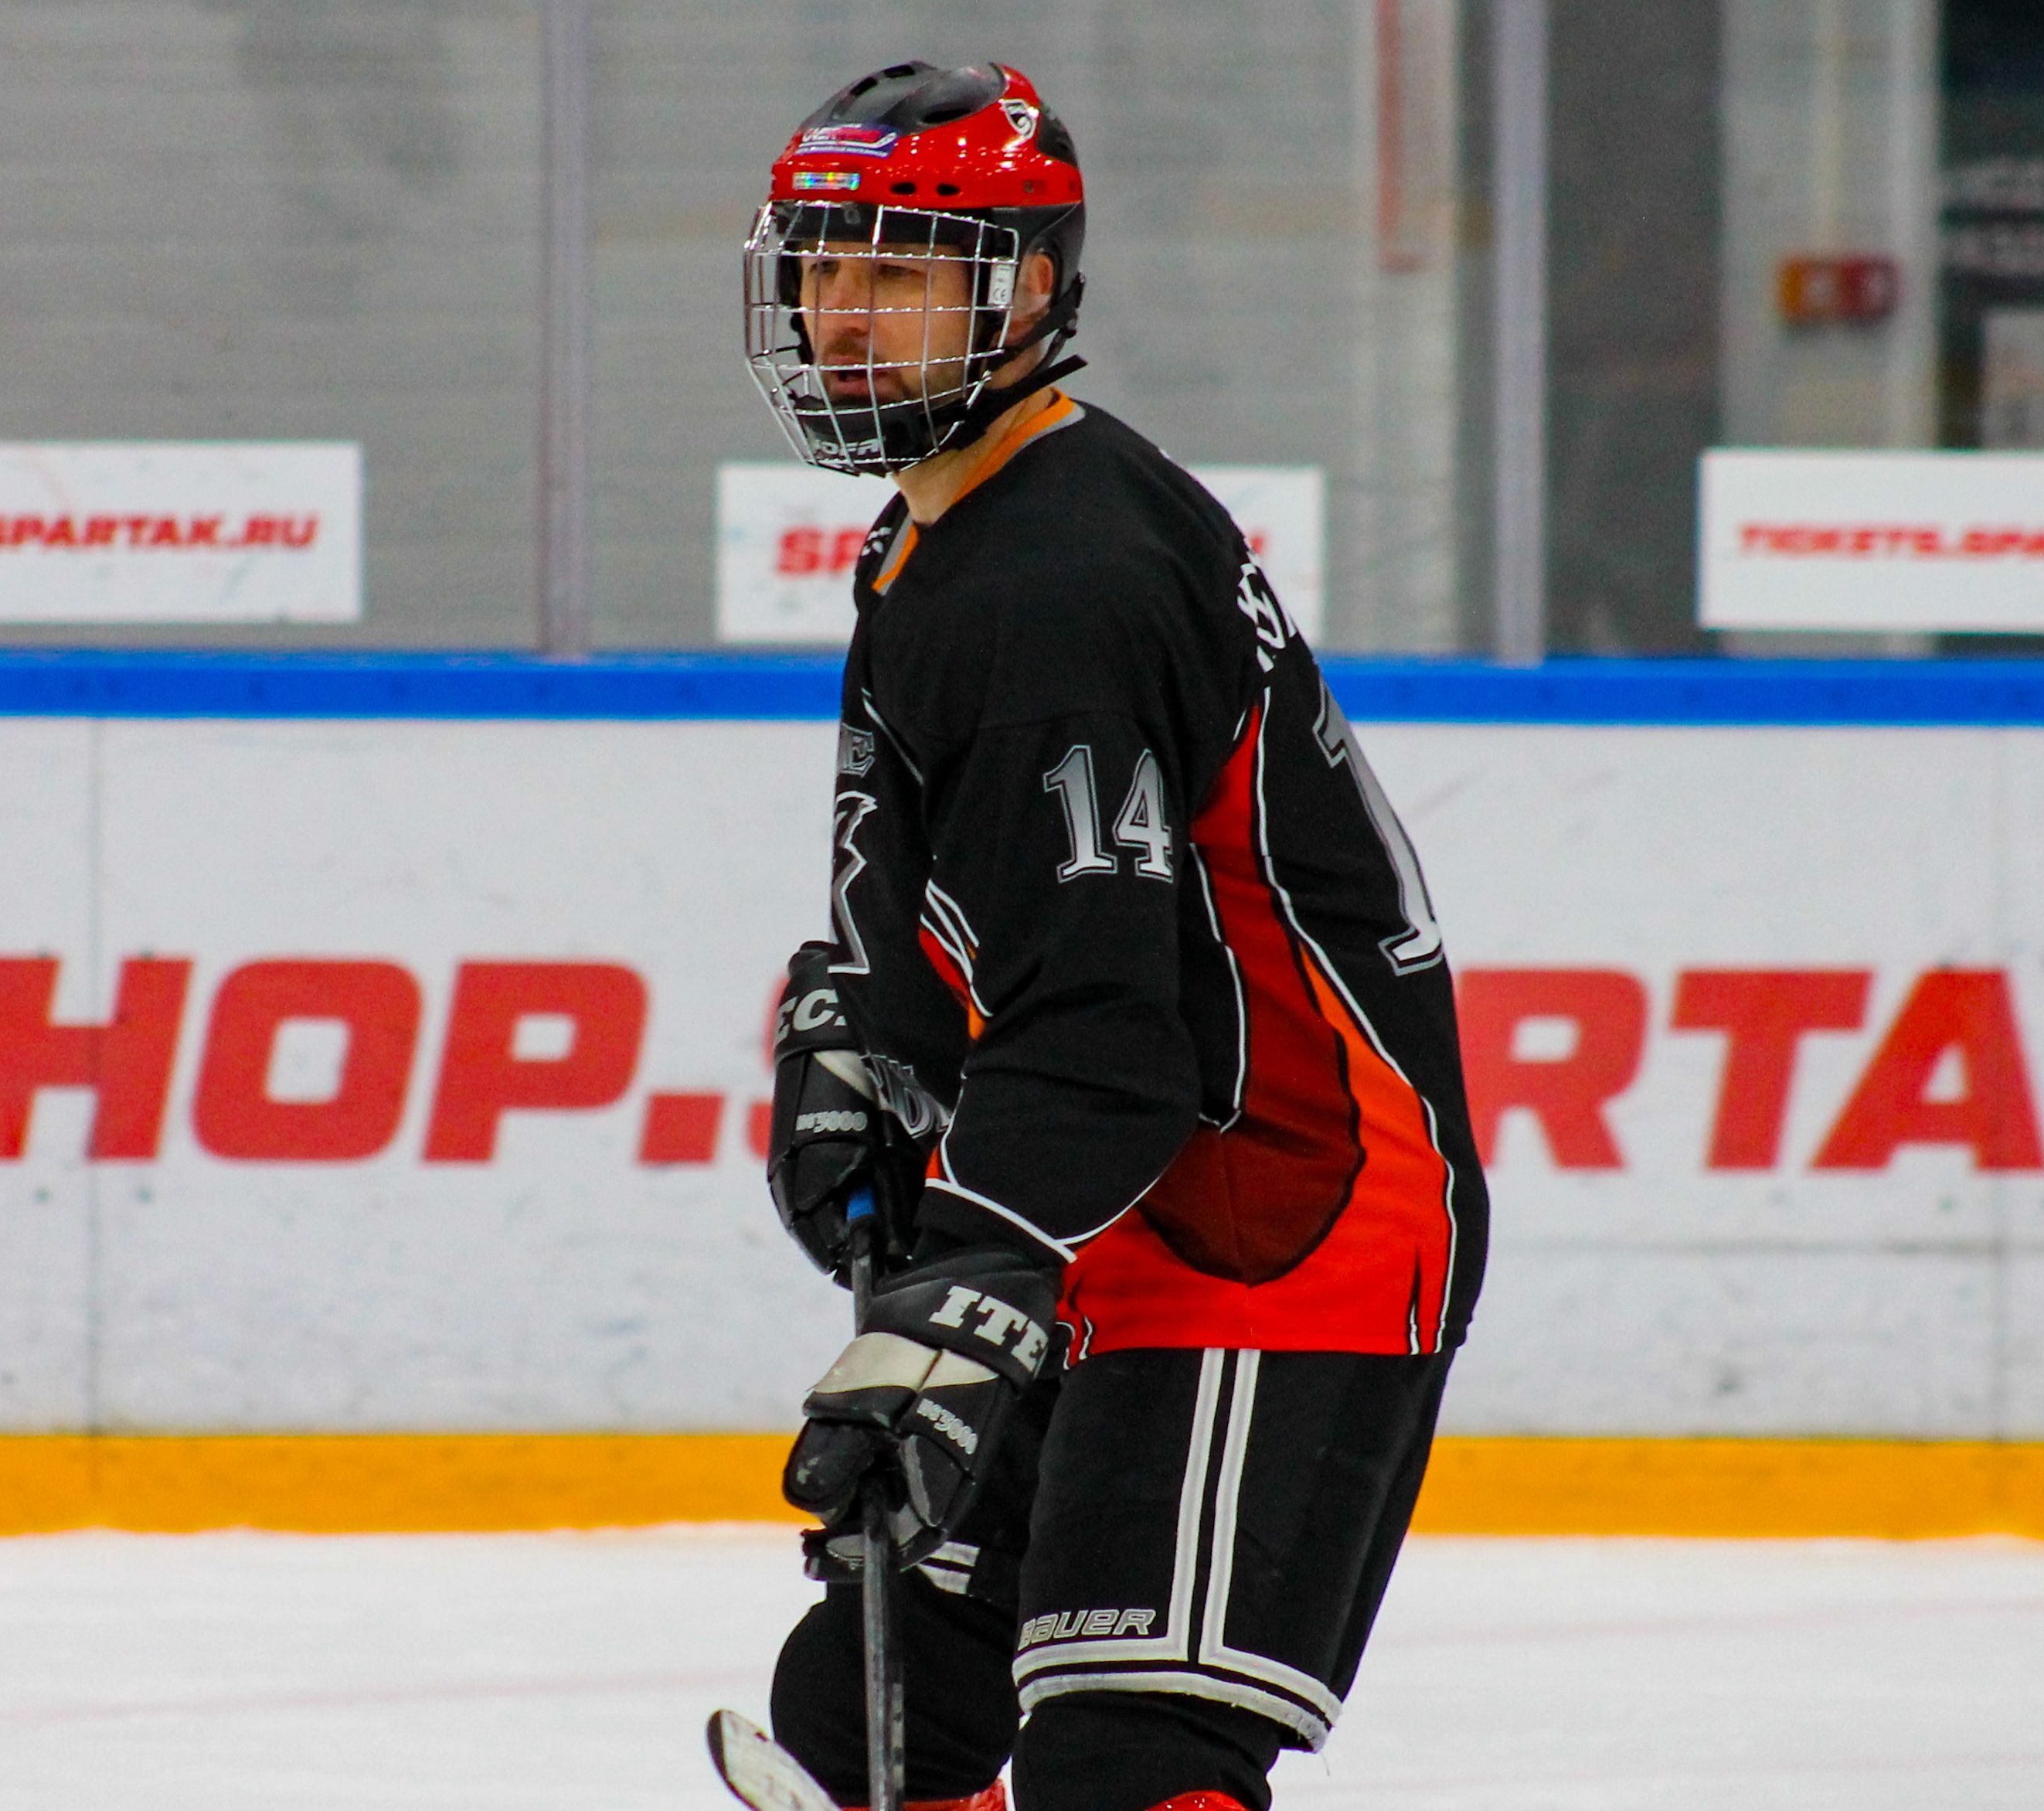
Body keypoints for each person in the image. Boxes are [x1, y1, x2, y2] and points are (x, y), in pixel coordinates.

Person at [743, 60, 1489, 1811]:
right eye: (823, 263)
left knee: (1128, 1751)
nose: (844, 311)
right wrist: (865, 1022)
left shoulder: (1058, 579)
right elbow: (994, 899)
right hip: (1105, 1194)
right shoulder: (948, 530)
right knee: (877, 1711)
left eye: (900, 268)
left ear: (1023, 294)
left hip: (1281, 1211)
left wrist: (962, 1283)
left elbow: (1106, 1019)